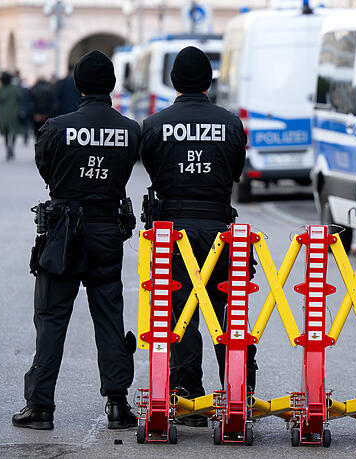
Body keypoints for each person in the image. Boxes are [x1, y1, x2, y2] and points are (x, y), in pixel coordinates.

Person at [13, 50, 140, 431]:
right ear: (112, 86)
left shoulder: (56, 127)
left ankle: (40, 408)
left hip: (63, 232)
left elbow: (46, 171)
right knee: (109, 316)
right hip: (107, 232)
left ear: (78, 86)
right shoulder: (131, 129)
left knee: (51, 318)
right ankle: (117, 404)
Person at [139, 46, 252, 427]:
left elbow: (154, 170)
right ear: (208, 81)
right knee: (229, 312)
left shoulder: (155, 125)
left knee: (180, 315)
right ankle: (239, 395)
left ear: (173, 82)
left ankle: (188, 397)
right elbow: (235, 171)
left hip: (174, 231)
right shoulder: (231, 124)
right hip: (221, 230)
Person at [0, 72, 23, 160]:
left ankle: (7, 148)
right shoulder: (15, 88)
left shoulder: (0, 89)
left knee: (5, 133)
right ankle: (12, 147)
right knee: (14, 132)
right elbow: (19, 98)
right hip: (14, 112)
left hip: (3, 113)